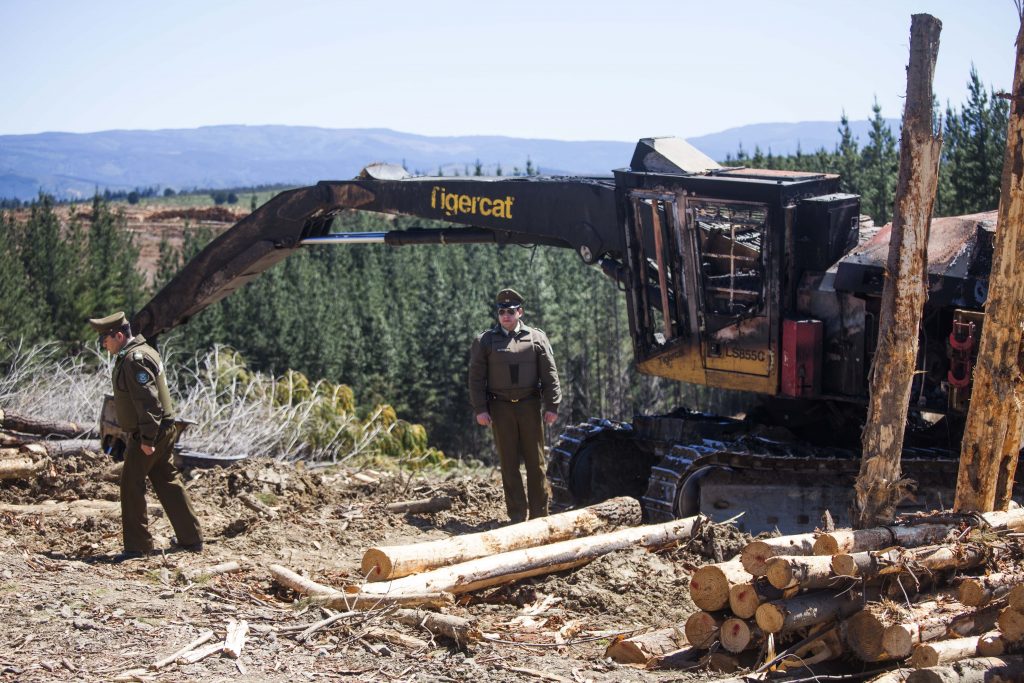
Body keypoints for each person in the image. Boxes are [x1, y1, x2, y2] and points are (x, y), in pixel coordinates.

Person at [88, 312, 203, 560]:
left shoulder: (134, 359)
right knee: (166, 480)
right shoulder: (140, 353)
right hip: (161, 429)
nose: (103, 345)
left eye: (104, 340)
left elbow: (150, 403)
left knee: (131, 484)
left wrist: (147, 440)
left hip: (150, 432)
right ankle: (191, 538)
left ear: (118, 335)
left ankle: (137, 547)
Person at [468, 289, 561, 523]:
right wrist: (480, 408)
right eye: (501, 312)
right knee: (509, 465)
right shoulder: (485, 341)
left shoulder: (537, 337)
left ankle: (540, 515)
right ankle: (517, 516)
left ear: (520, 312)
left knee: (536, 463)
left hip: (530, 406)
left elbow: (550, 374)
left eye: (510, 311)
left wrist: (553, 405)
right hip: (500, 408)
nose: (506, 316)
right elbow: (476, 378)